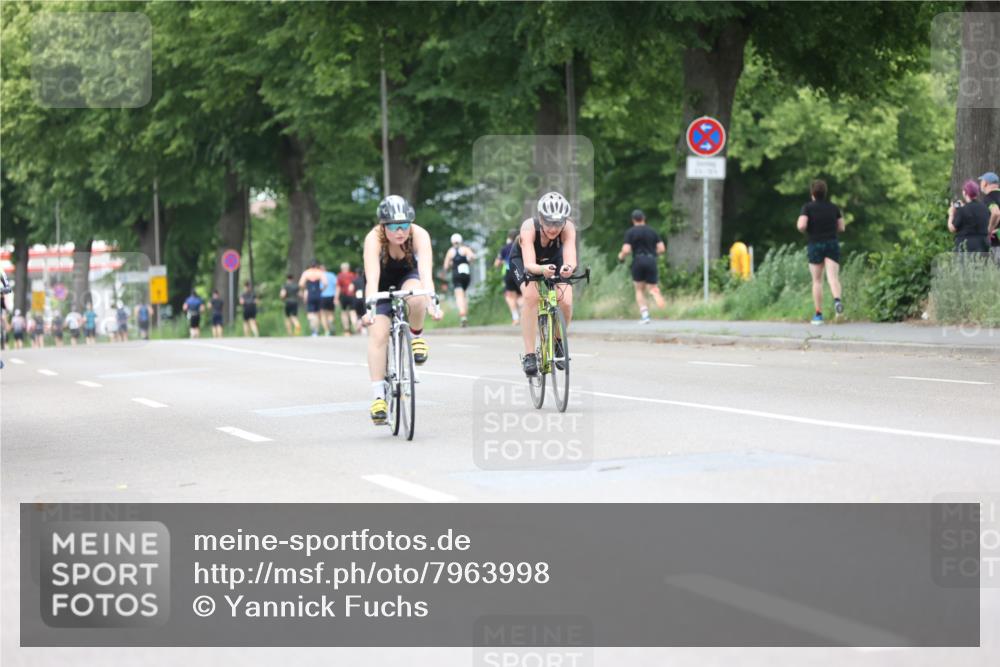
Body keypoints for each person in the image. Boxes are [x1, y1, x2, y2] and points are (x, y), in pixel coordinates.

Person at [362, 195, 441, 424]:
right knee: (378, 334)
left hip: (408, 276)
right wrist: (370, 308)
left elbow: (426, 274)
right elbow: (372, 278)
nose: (400, 231)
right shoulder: (373, 239)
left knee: (417, 298)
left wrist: (432, 302)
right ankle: (378, 397)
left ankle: (416, 336)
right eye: (394, 226)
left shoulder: (419, 234)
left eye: (405, 225)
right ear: (383, 226)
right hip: (380, 282)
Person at [509, 191, 579, 376]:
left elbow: (571, 258)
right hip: (525, 260)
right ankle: (530, 355)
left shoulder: (568, 227)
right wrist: (542, 270)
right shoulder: (528, 227)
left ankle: (557, 343)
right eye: (548, 222)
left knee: (566, 300)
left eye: (558, 223)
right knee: (531, 296)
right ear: (540, 218)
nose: (553, 228)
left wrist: (568, 268)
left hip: (553, 260)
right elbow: (530, 265)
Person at [796, 179, 845, 325]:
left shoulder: (807, 207)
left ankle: (818, 315)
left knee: (817, 281)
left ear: (812, 193)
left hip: (815, 244)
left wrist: (805, 228)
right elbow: (842, 227)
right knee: (833, 278)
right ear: (825, 193)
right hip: (832, 243)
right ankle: (837, 304)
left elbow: (802, 225)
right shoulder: (833, 207)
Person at [617, 209, 666, 324]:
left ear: (633, 220)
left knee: (639, 289)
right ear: (644, 218)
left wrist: (621, 256)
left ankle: (645, 315)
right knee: (652, 286)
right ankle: (655, 293)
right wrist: (653, 254)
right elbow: (662, 248)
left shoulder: (631, 232)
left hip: (638, 260)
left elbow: (626, 250)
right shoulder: (652, 231)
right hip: (651, 259)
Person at [947, 180, 991, 253]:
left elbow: (952, 228)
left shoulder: (962, 210)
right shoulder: (985, 208)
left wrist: (951, 214)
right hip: (982, 244)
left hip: (965, 245)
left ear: (965, 192)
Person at [443, 233, 476, 327]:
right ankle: (465, 315)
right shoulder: (465, 249)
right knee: (464, 295)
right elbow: (472, 257)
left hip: (456, 275)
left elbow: (445, 266)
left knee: (459, 295)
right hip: (466, 275)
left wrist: (450, 264)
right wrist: (468, 260)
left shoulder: (450, 251)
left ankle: (463, 315)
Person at [494, 229, 522, 325]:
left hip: (509, 272)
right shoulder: (522, 246)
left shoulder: (505, 248)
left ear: (509, 238)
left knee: (510, 296)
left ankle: (516, 318)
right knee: (521, 295)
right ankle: (525, 313)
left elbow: (496, 263)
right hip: (521, 272)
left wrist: (502, 262)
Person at [298, 260, 327, 337]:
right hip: (318, 293)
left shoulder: (306, 273)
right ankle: (317, 330)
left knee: (311, 313)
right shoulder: (319, 272)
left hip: (310, 293)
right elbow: (325, 283)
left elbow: (301, 284)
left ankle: (314, 331)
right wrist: (322, 289)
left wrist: (305, 288)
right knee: (318, 313)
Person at [979, 171, 1000, 261]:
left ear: (985, 183)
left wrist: (990, 229)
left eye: (981, 181)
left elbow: (996, 212)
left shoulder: (989, 198)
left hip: (996, 241)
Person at [336, 262, 358, 336]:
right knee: (353, 312)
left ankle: (347, 330)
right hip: (352, 295)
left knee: (344, 312)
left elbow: (338, 288)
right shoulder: (353, 275)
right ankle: (355, 327)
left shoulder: (340, 276)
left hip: (343, 296)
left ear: (342, 269)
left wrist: (336, 297)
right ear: (348, 268)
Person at [320, 263, 337, 336]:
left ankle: (327, 331)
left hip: (322, 296)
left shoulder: (319, 276)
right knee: (331, 313)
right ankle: (331, 323)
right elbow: (336, 285)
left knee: (323, 314)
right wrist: (336, 297)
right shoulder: (332, 275)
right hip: (331, 296)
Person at [351, 268, 367, 335]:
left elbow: (350, 288)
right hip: (364, 299)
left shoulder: (354, 280)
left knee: (357, 314)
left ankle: (358, 326)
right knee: (364, 313)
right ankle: (363, 327)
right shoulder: (365, 280)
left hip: (356, 299)